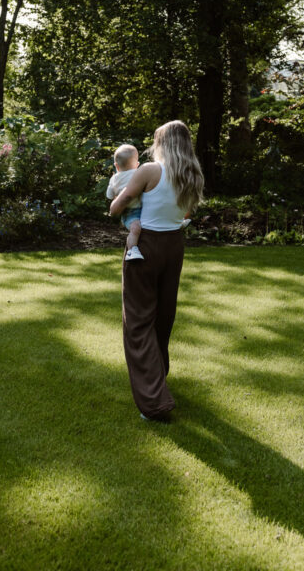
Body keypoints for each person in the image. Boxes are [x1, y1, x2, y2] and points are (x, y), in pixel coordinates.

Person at [109, 120, 204, 422]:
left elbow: (117, 206)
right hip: (174, 246)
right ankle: (158, 379)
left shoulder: (150, 170)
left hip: (145, 246)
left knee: (138, 320)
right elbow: (187, 212)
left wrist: (114, 206)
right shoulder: (192, 175)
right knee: (163, 316)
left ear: (161, 143)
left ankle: (153, 402)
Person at [106, 143, 144, 261]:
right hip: (130, 212)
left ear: (116, 166)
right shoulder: (138, 173)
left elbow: (109, 195)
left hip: (134, 209)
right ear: (137, 165)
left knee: (136, 228)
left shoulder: (114, 179)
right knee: (135, 228)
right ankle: (132, 250)